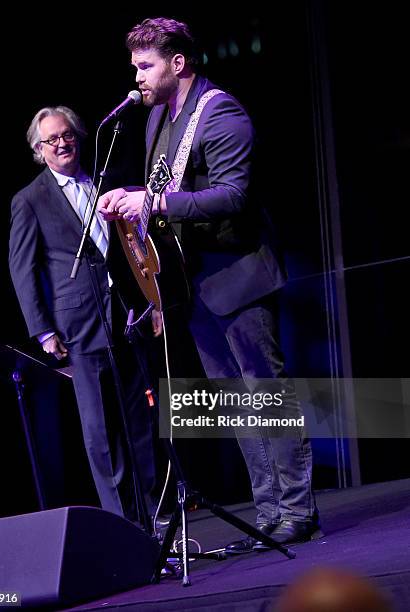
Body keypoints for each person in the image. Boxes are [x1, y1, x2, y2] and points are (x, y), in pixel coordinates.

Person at [97, 17, 320, 550]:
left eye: (146, 66)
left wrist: (153, 202)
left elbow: (234, 194)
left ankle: (298, 508)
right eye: (135, 66)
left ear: (178, 63)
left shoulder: (220, 111)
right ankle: (268, 512)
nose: (138, 77)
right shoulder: (156, 119)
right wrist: (130, 201)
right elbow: (163, 190)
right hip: (193, 284)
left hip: (237, 275)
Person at [9, 105, 158, 522]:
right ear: (39, 150)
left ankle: (150, 514)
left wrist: (150, 302)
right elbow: (23, 270)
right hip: (78, 325)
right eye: (52, 139)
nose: (62, 143)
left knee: (138, 420)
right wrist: (42, 331)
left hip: (125, 315)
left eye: (67, 134)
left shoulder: (102, 184)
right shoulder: (29, 200)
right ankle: (120, 521)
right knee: (100, 432)